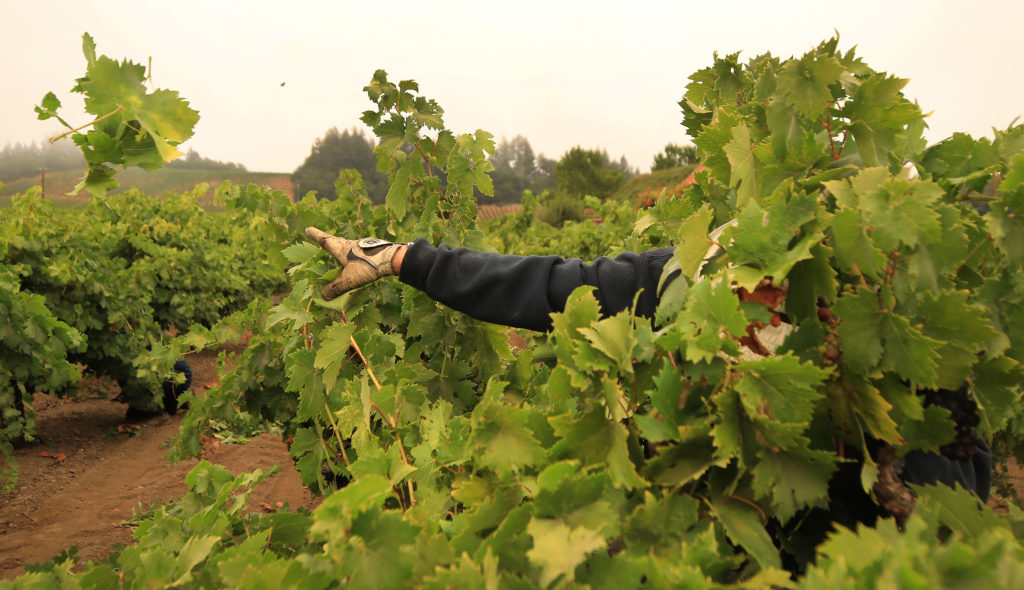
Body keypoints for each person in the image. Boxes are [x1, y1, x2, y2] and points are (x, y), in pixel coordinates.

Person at [303, 227, 993, 523]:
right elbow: (549, 286)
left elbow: (963, 490)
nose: (759, 304)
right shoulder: (697, 281)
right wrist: (402, 258)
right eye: (752, 284)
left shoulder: (903, 342)